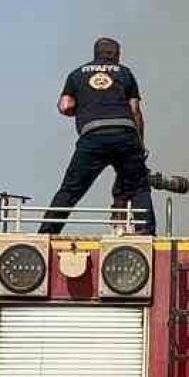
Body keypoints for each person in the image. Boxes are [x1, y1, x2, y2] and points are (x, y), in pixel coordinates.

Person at [39, 37, 156, 234]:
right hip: (125, 134)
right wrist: (139, 144)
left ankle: (47, 233)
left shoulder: (76, 75)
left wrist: (80, 108)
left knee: (71, 189)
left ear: (95, 54)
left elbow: (65, 105)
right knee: (139, 186)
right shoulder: (125, 73)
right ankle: (146, 231)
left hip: (93, 136)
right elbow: (135, 109)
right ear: (117, 55)